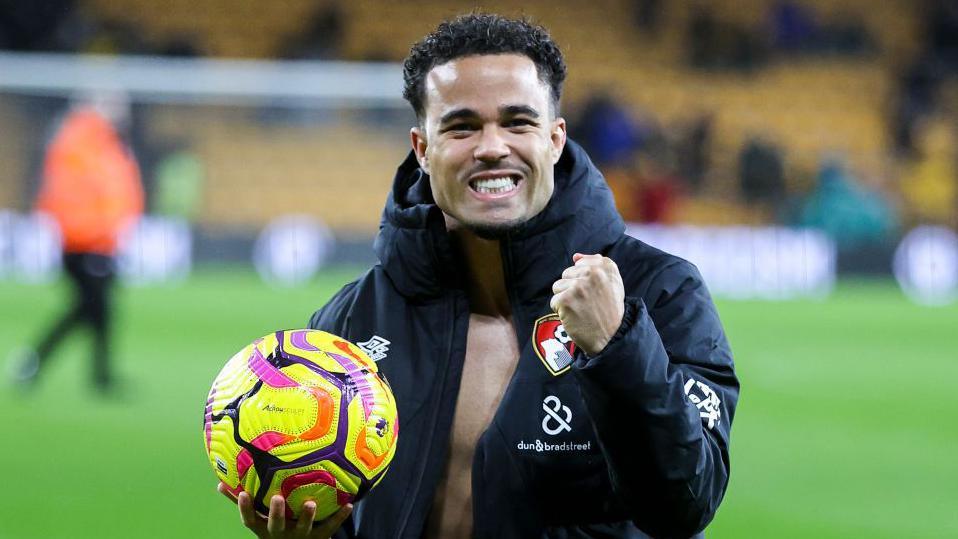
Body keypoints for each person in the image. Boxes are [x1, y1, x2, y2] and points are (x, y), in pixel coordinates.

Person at [220, 13, 738, 539]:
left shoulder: (661, 292)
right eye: (462, 126)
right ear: (423, 149)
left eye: (518, 122)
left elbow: (686, 503)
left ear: (555, 139)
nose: (491, 147)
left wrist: (618, 347)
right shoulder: (354, 319)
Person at [11, 97, 144, 393]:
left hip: (99, 242)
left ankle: (99, 376)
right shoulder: (82, 147)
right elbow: (79, 197)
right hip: (86, 243)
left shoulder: (102, 146)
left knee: (98, 309)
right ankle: (35, 361)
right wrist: (98, 233)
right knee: (89, 308)